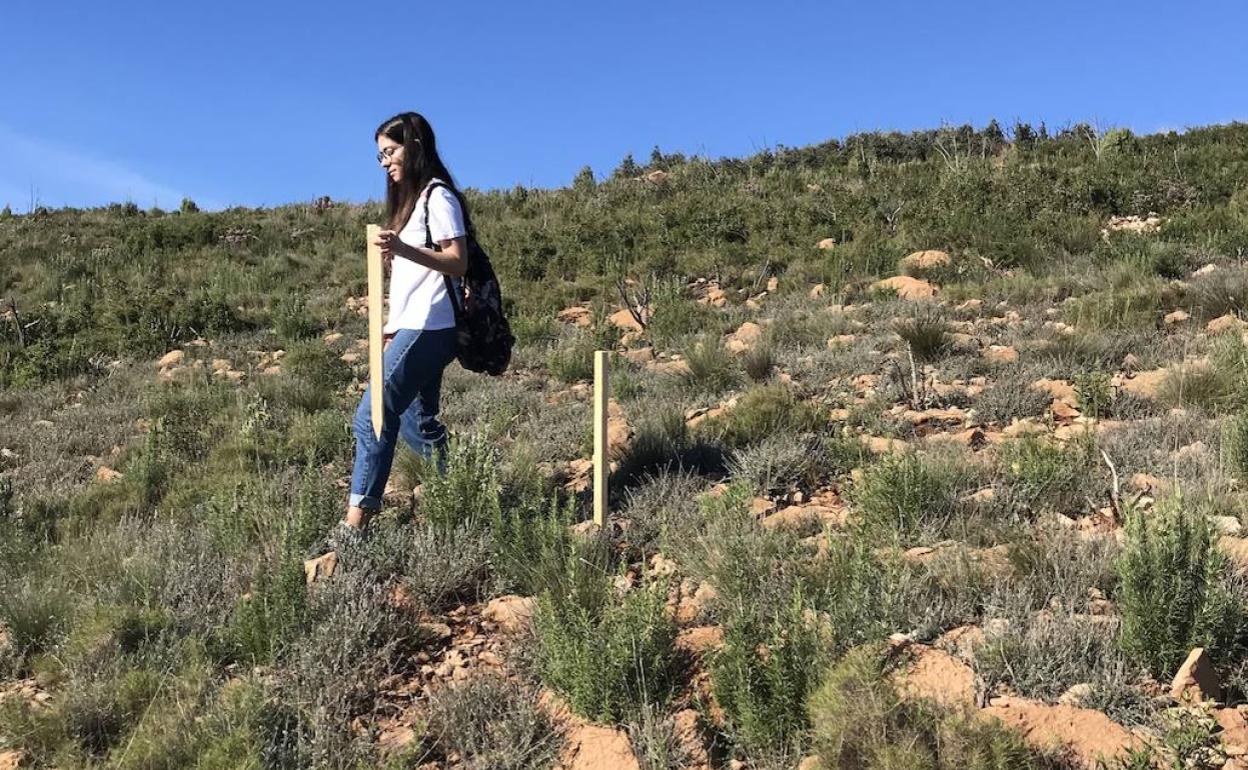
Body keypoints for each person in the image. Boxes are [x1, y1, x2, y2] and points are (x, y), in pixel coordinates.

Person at [332, 111, 471, 546]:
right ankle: (469, 496)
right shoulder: (409, 206)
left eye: (389, 151)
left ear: (413, 145)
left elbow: (457, 260)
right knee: (417, 423)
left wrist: (404, 249)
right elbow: (414, 278)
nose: (384, 162)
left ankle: (356, 526)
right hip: (412, 325)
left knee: (372, 414)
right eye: (379, 156)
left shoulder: (438, 197)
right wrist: (392, 327)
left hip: (432, 325)